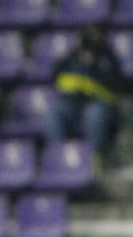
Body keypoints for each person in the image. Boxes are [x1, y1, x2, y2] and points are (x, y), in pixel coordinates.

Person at [46, 25, 125, 160]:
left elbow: (116, 85)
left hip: (99, 103)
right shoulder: (72, 57)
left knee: (93, 114)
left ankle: (93, 159)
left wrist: (93, 66)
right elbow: (55, 76)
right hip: (72, 103)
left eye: (95, 37)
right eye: (87, 38)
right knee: (52, 115)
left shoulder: (108, 58)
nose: (91, 41)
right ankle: (59, 157)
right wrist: (76, 55)